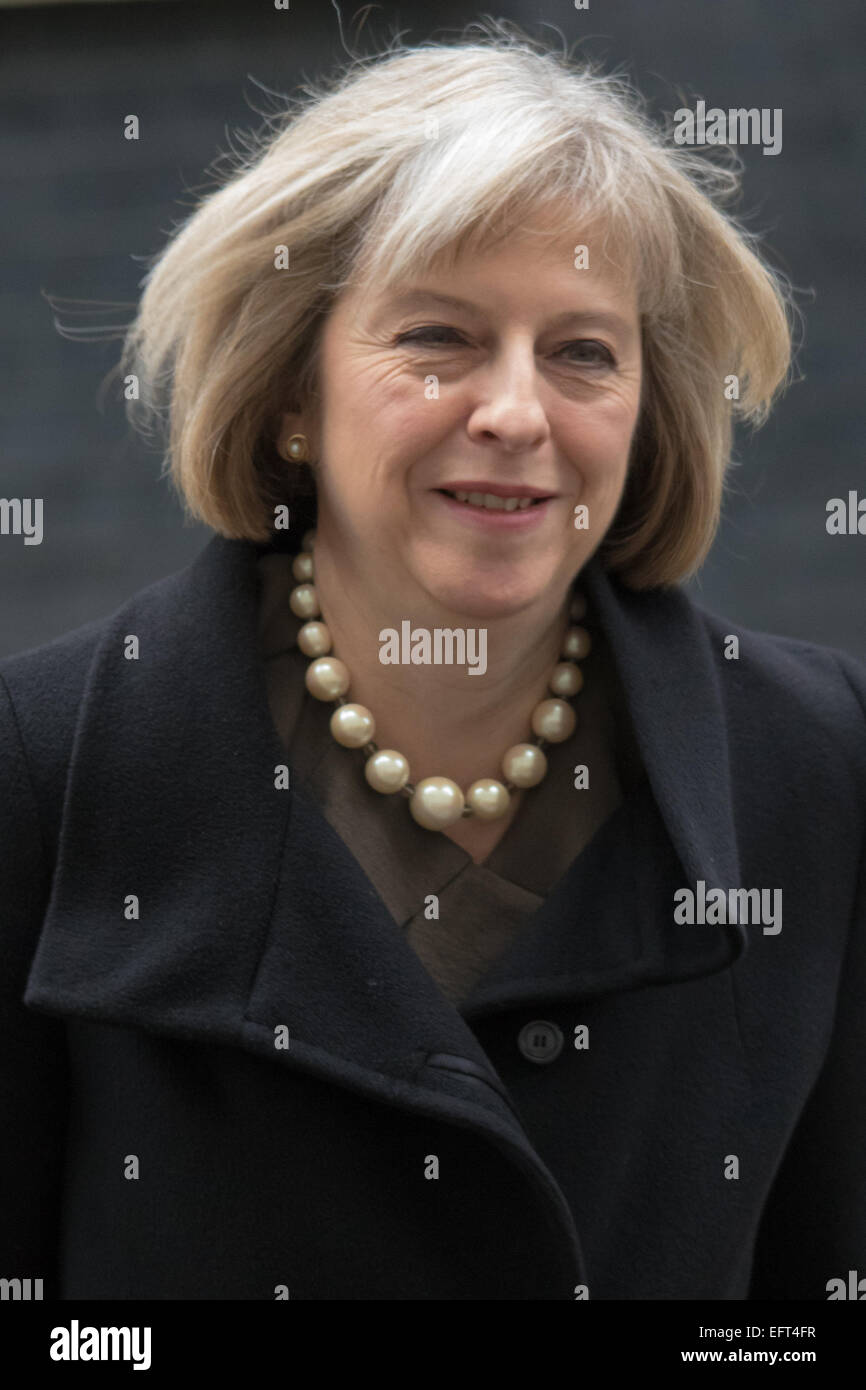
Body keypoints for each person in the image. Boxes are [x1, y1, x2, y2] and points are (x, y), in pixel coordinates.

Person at [2, 25, 864, 1302]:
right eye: (439, 337)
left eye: (581, 351)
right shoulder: (48, 765)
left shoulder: (814, 757)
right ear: (291, 393)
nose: (514, 412)